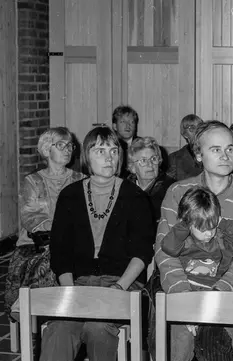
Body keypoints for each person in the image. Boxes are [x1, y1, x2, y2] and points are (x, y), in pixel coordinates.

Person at [41, 126, 155, 361]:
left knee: (97, 327)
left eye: (114, 151)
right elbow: (60, 252)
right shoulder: (70, 195)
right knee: (59, 329)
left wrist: (119, 288)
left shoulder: (135, 197)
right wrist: (70, 290)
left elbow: (142, 253)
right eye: (100, 151)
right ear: (86, 157)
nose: (109, 157)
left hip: (123, 284)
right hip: (78, 284)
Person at [154, 120, 233, 361]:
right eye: (215, 149)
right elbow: (165, 252)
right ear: (198, 154)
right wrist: (184, 298)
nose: (225, 156)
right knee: (173, 335)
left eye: (230, 148)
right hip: (181, 284)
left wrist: (218, 293)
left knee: (216, 344)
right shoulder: (177, 192)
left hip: (227, 289)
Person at [161, 187, 233, 361]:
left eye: (212, 227)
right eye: (202, 228)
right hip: (188, 296)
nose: (208, 233)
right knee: (181, 334)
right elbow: (167, 247)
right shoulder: (185, 242)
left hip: (216, 296)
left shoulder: (221, 240)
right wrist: (185, 224)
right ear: (189, 224)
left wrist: (221, 222)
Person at [5, 127, 86, 317]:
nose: (67, 149)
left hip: (74, 243)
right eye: (61, 145)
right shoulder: (32, 181)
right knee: (52, 259)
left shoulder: (81, 179)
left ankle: (64, 313)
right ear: (47, 149)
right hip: (36, 244)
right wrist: (62, 230)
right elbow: (31, 218)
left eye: (70, 145)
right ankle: (47, 314)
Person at [127, 136, 175, 223]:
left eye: (153, 159)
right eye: (143, 160)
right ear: (133, 167)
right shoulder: (124, 189)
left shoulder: (171, 190)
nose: (150, 164)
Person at [167, 114, 204, 181]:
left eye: (200, 127)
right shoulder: (174, 159)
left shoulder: (211, 153)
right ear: (184, 134)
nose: (197, 131)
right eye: (192, 128)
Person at [112, 105, 140, 178]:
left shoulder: (143, 145)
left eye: (132, 122)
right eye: (123, 122)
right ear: (115, 126)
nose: (128, 126)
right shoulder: (109, 147)